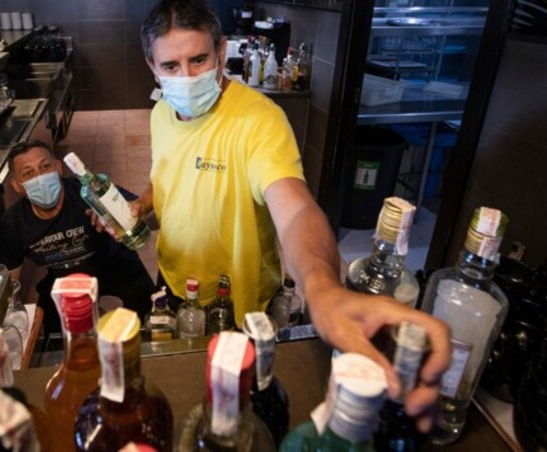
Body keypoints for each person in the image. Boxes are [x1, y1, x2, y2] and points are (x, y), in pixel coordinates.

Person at [93, 0, 450, 432]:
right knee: (185, 396)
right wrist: (141, 205)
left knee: (235, 414)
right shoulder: (160, 114)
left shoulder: (261, 122)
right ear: (151, 66)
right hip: (172, 281)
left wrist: (322, 287)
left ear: (222, 52)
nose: (185, 77)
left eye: (199, 59)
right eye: (170, 65)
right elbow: (164, 178)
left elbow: (296, 209)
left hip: (238, 299)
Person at [0, 140, 155, 336]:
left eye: (45, 167)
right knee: (53, 333)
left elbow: (151, 217)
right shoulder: (13, 223)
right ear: (17, 185)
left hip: (112, 261)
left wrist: (118, 213)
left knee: (149, 312)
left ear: (59, 167)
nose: (40, 177)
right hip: (63, 276)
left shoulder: (90, 193)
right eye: (29, 173)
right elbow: (10, 285)